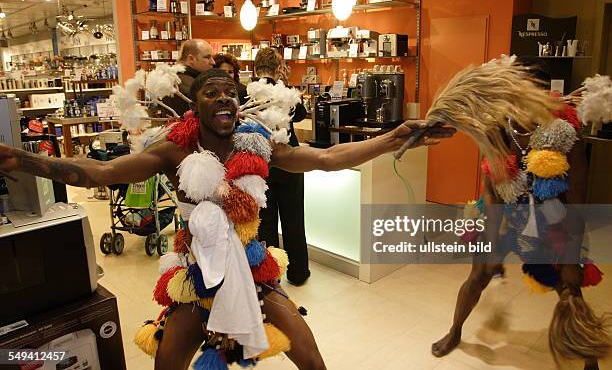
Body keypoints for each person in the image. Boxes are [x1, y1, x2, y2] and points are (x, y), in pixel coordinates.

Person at [0, 68, 454, 370]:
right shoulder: (173, 150)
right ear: (195, 104)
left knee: (311, 357)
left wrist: (396, 137)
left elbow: (329, 157)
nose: (224, 99)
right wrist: (21, 160)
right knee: (167, 364)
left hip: (254, 273)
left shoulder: (256, 145)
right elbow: (100, 171)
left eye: (231, 94)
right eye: (212, 92)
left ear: (239, 105)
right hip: (197, 280)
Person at [426, 57, 609, 370]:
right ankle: (455, 331)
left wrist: (567, 258)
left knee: (568, 285)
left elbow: (577, 201)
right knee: (478, 276)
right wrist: (494, 239)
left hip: (552, 220)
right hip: (504, 212)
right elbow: (490, 187)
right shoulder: (497, 131)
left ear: (542, 97)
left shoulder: (565, 136)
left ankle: (586, 351)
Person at [253, 47, 311, 285]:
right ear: (279, 67)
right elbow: (301, 114)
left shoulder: (249, 91)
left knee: (265, 222)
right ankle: (298, 273)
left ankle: (270, 274)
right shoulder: (284, 91)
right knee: (294, 219)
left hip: (262, 162)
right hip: (289, 162)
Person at [161, 39, 215, 116]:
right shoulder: (189, 84)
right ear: (191, 59)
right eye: (207, 57)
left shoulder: (178, 79)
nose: (213, 62)